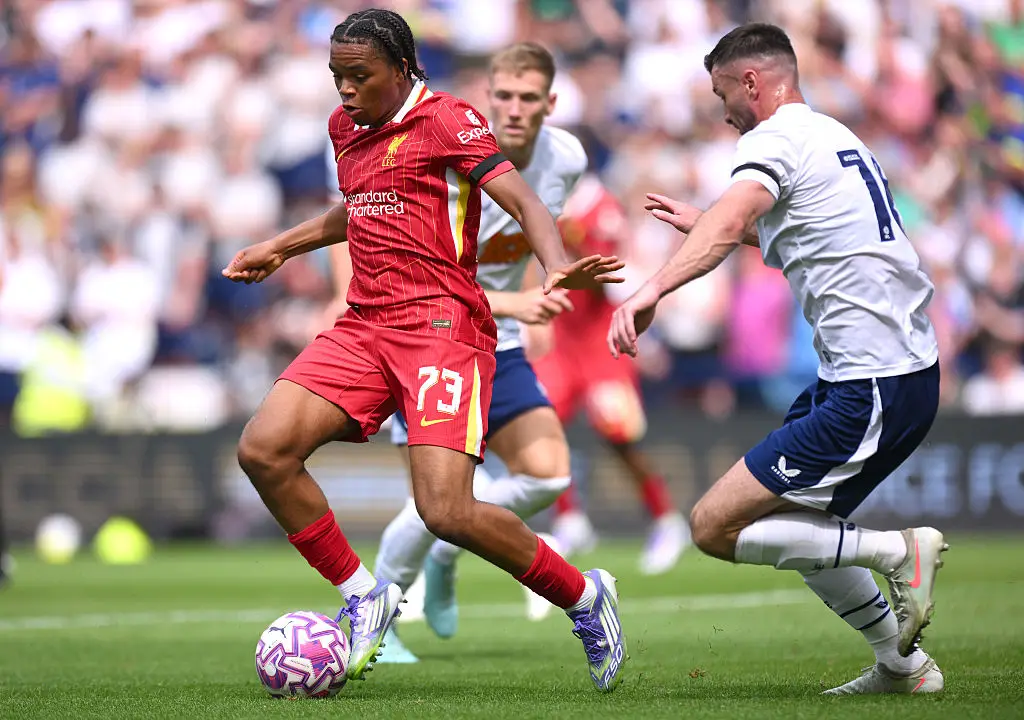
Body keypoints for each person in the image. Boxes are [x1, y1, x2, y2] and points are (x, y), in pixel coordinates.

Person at [223, 9, 627, 692]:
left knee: (447, 510)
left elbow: (525, 200)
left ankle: (586, 600)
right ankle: (366, 596)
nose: (345, 90)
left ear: (402, 68)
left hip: (441, 327)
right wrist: (280, 245)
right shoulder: (344, 128)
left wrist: (555, 263)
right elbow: (360, 205)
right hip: (364, 324)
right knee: (263, 450)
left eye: (359, 76)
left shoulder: (448, 120)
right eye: (336, 77)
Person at [608, 23, 947, 695]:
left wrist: (651, 289)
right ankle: (903, 668)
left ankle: (896, 551)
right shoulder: (833, 134)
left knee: (713, 525)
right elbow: (808, 234)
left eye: (722, 92)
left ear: (753, 83)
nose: (722, 108)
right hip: (883, 371)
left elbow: (733, 221)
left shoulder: (773, 139)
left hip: (871, 381)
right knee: (797, 529)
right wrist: (711, 222)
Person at [328, 42, 589, 662]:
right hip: (425, 335)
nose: (515, 109)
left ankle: (449, 549)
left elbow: (524, 245)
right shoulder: (445, 146)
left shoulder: (566, 160)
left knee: (548, 474)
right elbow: (423, 270)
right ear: (486, 96)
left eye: (529, 98)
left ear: (550, 103)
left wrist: (544, 286)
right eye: (503, 96)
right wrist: (515, 304)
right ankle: (382, 620)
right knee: (437, 499)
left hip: (501, 334)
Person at [532, 174, 691, 575]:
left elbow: (607, 274)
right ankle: (570, 519)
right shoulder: (531, 188)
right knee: (541, 425)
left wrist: (574, 238)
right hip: (561, 336)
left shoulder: (595, 203)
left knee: (620, 435)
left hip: (599, 337)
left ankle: (666, 519)